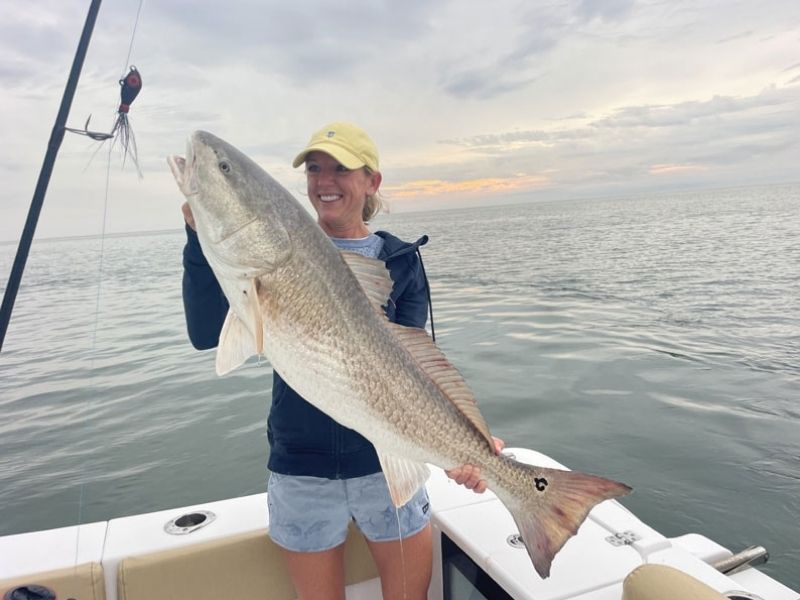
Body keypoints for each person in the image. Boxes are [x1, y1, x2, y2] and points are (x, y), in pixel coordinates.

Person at [180, 122, 502, 599]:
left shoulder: (401, 262)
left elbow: (415, 365)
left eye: (340, 169)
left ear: (372, 181)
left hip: (386, 465)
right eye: (314, 169)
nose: (324, 181)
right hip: (302, 470)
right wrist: (198, 241)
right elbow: (207, 335)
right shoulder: (275, 252)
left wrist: (469, 442)